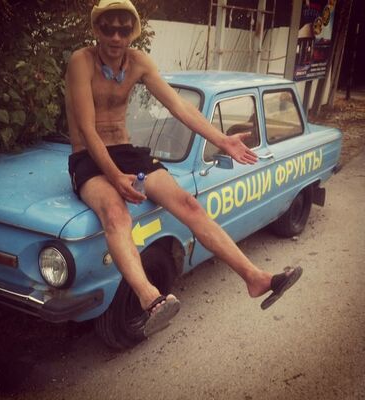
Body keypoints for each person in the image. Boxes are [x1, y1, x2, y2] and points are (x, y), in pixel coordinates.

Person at [65, 0, 303, 337]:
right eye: (108, 28)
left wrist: (222, 140)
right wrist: (115, 177)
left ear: (132, 32)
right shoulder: (82, 61)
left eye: (123, 29)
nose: (116, 36)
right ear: (97, 30)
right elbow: (88, 130)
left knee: (189, 204)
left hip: (125, 152)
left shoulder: (138, 62)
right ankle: (150, 299)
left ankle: (256, 278)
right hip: (88, 156)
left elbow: (179, 106)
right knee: (116, 215)